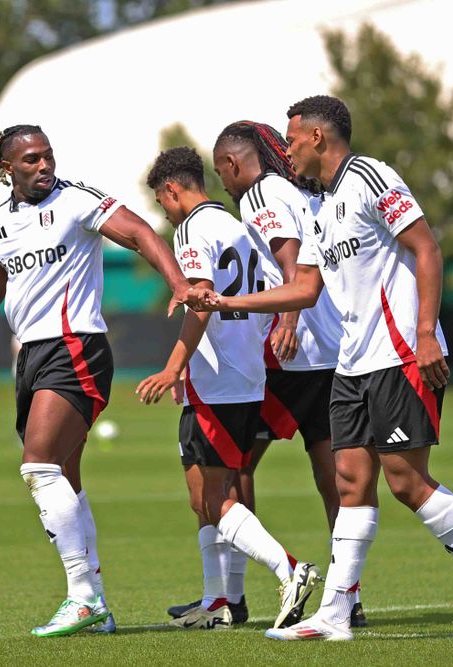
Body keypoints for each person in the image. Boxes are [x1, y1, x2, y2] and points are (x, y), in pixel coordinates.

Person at [190, 96, 453, 642]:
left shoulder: (371, 177)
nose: (286, 149)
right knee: (351, 482)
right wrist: (225, 304)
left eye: (293, 138)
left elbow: (426, 249)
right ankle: (335, 613)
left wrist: (425, 333)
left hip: (400, 355)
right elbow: (302, 289)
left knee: (406, 482)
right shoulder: (320, 209)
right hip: (352, 364)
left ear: (319, 138)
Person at [0, 124, 194, 637]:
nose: (44, 166)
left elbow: (139, 233)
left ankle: (83, 596)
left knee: (39, 465)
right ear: (7, 169)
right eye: (31, 160)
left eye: (47, 157)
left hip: (77, 347)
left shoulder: (77, 201)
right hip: (33, 358)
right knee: (64, 476)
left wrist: (176, 280)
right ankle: (99, 607)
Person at [166, 121, 369, 628]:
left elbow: (291, 264)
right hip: (331, 356)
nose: (223, 184)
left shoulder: (260, 195)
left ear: (234, 165)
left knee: (223, 474)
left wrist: (288, 319)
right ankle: (347, 596)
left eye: (222, 172)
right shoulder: (302, 191)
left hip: (289, 357)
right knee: (334, 480)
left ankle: (232, 597)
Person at [136, 146, 320, 631]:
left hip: (216, 386)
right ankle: (221, 602)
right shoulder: (240, 226)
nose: (165, 211)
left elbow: (199, 301)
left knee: (211, 500)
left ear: (172, 191)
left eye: (162, 202)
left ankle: (290, 570)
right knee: (218, 492)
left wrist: (175, 366)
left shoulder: (193, 229)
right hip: (246, 378)